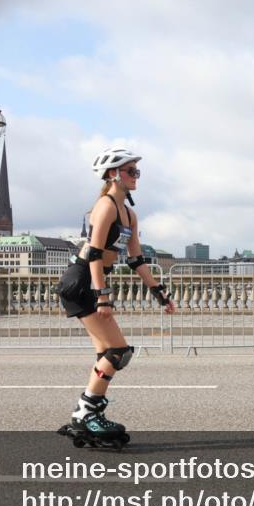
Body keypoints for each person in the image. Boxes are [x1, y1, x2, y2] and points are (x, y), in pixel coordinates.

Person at [56, 148, 175, 448]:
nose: (136, 176)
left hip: (91, 282)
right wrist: (102, 296)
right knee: (118, 352)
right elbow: (94, 253)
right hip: (82, 280)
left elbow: (137, 260)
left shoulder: (129, 214)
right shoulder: (105, 206)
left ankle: (88, 413)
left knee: (107, 355)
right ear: (113, 174)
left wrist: (159, 293)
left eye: (137, 171)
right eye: (131, 171)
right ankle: (85, 413)